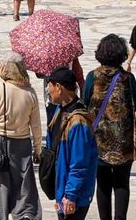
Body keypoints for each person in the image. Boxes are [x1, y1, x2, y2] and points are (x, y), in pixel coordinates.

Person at [81, 35, 136, 220]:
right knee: (122, 184)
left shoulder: (92, 77)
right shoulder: (128, 78)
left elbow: (85, 102)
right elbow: (134, 104)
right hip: (124, 139)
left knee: (103, 184)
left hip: (99, 140)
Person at [0, 59, 44, 220]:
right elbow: (36, 126)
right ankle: (26, 215)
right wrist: (37, 149)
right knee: (24, 186)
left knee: (0, 186)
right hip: (22, 144)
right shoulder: (30, 92)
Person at [42, 67, 97, 220]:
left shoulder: (78, 121)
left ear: (59, 87)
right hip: (62, 189)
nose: (48, 90)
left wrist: (70, 196)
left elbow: (79, 163)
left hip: (74, 195)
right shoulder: (60, 110)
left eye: (50, 85)